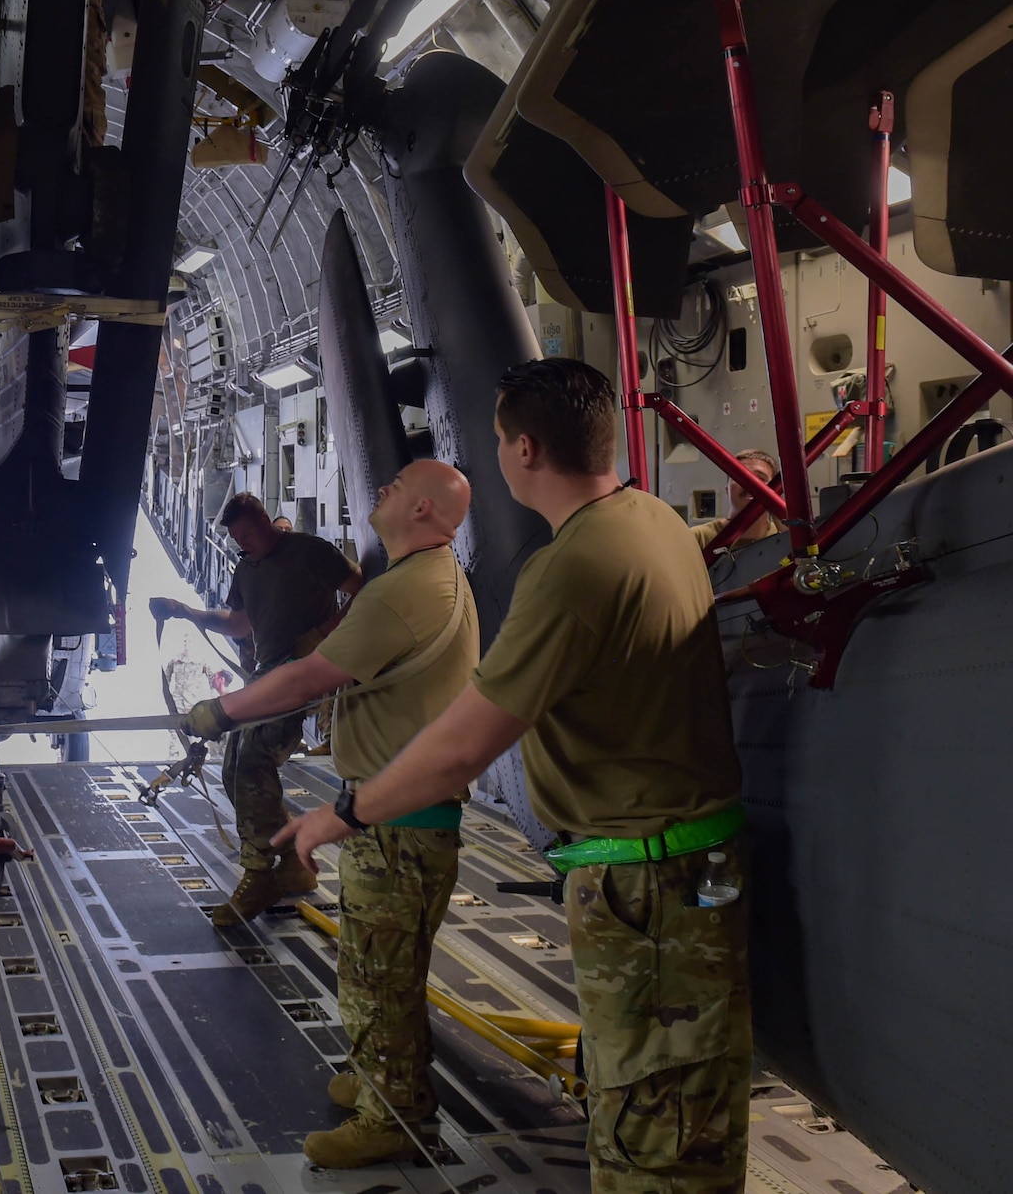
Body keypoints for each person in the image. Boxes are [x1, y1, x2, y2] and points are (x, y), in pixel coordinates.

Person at [276, 359, 749, 1191]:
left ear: (524, 448)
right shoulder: (654, 520)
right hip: (684, 875)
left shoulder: (571, 567)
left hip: (644, 891)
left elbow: (465, 742)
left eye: (496, 438)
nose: (496, 451)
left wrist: (341, 813)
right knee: (678, 1125)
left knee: (655, 1151)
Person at [183, 462, 477, 1167]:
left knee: (374, 973)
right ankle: (388, 1078)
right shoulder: (428, 577)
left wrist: (220, 710)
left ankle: (392, 1117)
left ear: (427, 510)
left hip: (399, 822)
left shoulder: (401, 590)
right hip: (397, 814)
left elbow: (311, 675)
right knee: (387, 968)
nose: (383, 489)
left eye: (399, 485)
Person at [149, 492, 359, 925]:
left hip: (305, 673)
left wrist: (326, 636)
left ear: (265, 521)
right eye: (236, 538)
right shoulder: (248, 568)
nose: (243, 544)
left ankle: (261, 873)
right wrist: (186, 611)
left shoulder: (310, 551)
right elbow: (238, 623)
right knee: (233, 767)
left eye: (247, 534)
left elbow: (362, 588)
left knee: (252, 762)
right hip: (267, 676)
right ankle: (293, 863)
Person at [691, 447, 783, 550]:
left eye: (760, 478)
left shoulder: (785, 538)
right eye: (739, 477)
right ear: (727, 490)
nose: (750, 484)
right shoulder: (697, 538)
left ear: (776, 490)